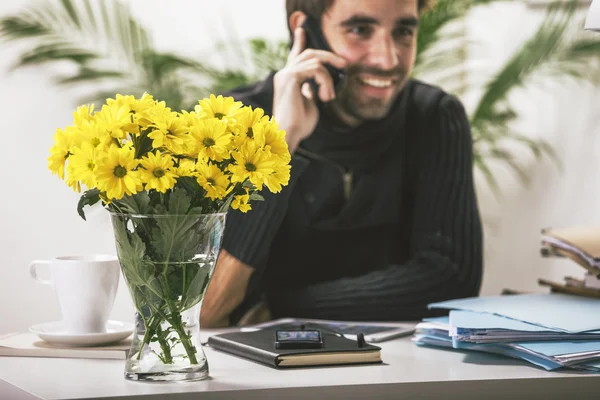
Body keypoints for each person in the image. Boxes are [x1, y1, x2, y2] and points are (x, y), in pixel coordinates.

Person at [200, 0, 483, 328]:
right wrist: (281, 142)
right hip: (258, 375)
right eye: (360, 30)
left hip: (398, 367)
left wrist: (276, 310)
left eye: (403, 31)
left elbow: (451, 279)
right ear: (304, 29)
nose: (387, 59)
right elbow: (209, 307)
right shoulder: (230, 124)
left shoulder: (434, 117)